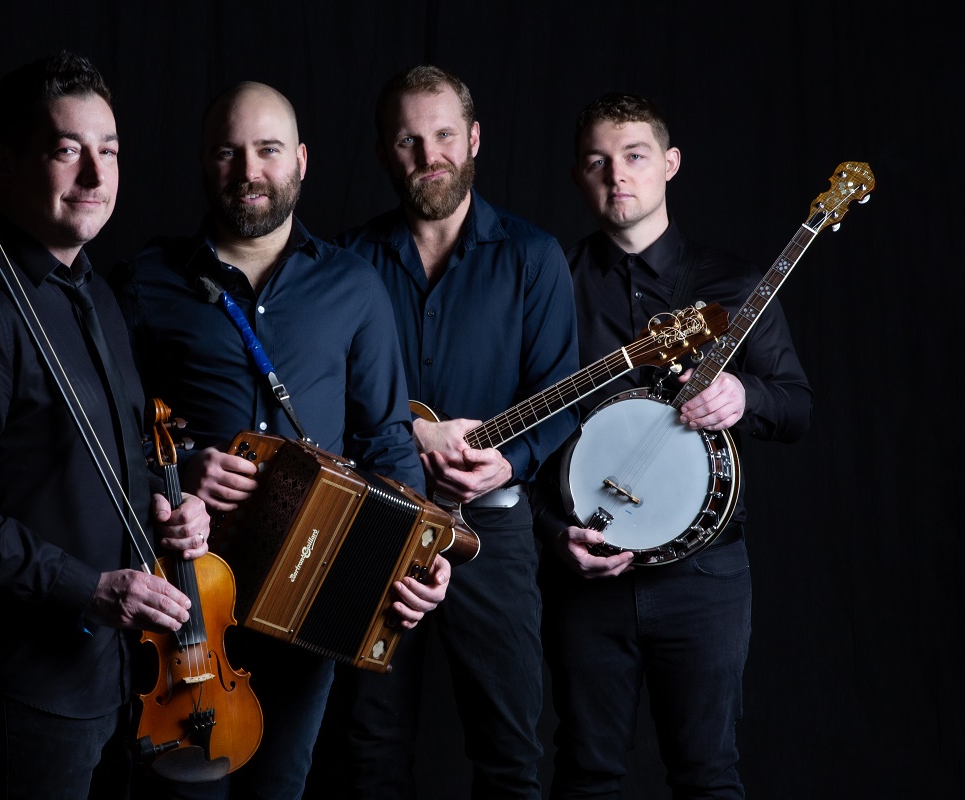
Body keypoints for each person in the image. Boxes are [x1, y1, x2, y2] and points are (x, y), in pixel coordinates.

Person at [108, 80, 452, 800]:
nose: (248, 170)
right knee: (185, 792)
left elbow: (387, 439)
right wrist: (179, 469)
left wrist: (419, 552)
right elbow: (108, 441)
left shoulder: (354, 287)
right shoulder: (145, 280)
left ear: (299, 159)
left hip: (311, 594)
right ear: (205, 163)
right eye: (228, 152)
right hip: (186, 603)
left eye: (267, 150)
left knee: (281, 788)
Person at [0, 50, 210, 800]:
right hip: (26, 691)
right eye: (67, 151)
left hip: (114, 678)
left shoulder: (97, 294)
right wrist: (87, 589)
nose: (96, 178)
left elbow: (114, 453)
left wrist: (174, 506)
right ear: (7, 163)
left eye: (108, 152)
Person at [531, 91, 813, 798]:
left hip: (705, 580)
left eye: (633, 156)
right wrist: (550, 532)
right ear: (578, 176)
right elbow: (530, 430)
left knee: (708, 774)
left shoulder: (736, 286)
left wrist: (743, 397)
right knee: (585, 772)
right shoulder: (550, 286)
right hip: (586, 570)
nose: (615, 175)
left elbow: (797, 406)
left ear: (670, 164)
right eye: (597, 161)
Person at [326, 64, 581, 799]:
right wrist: (413, 437)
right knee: (369, 748)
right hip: (374, 524)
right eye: (408, 139)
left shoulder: (535, 258)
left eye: (442, 135)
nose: (427, 154)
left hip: (492, 538)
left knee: (508, 750)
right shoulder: (345, 264)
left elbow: (559, 398)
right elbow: (325, 395)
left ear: (473, 139)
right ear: (383, 151)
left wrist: (510, 465)